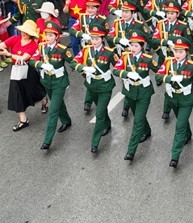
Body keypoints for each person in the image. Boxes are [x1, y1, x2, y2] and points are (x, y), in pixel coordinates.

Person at [158, 39, 193, 169]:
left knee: (179, 126)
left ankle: (175, 157)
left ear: (186, 52)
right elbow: (158, 76)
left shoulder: (192, 66)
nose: (177, 54)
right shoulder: (168, 62)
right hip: (172, 98)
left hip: (186, 100)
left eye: (181, 52)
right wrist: (170, 78)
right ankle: (188, 135)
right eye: (176, 51)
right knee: (181, 120)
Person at [112, 33, 156, 162]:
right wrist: (127, 74)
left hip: (144, 92)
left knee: (137, 122)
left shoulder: (147, 59)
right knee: (138, 115)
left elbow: (160, 71)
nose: (133, 48)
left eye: (136, 46)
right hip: (130, 91)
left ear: (142, 46)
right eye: (131, 45)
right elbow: (115, 70)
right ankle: (147, 131)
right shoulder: (125, 57)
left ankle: (131, 151)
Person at [72, 25, 116, 153]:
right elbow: (73, 62)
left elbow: (118, 67)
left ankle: (95, 143)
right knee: (101, 108)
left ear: (102, 39)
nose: (94, 41)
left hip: (105, 86)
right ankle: (107, 124)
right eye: (92, 38)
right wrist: (83, 68)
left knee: (99, 113)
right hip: (92, 85)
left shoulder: (109, 52)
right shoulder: (86, 50)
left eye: (97, 38)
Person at [0, 19, 46, 132]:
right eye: (23, 31)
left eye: (27, 32)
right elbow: (0, 45)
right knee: (16, 93)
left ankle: (44, 101)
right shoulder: (15, 38)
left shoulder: (33, 44)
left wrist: (8, 54)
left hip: (28, 69)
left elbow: (23, 58)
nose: (23, 33)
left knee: (35, 91)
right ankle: (23, 120)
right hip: (16, 70)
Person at [36, 22, 70, 150]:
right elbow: (33, 60)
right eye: (46, 35)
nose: (47, 37)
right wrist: (41, 65)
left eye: (51, 35)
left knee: (53, 111)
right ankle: (66, 121)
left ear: (56, 36)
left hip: (59, 82)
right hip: (46, 81)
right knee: (58, 103)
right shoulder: (41, 47)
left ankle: (47, 141)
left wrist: (85, 71)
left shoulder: (62, 49)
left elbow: (73, 62)